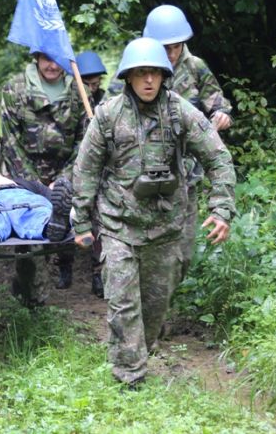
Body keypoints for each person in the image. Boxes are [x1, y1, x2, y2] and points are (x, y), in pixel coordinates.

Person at [72, 37, 236, 388]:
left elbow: (218, 158)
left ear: (164, 76)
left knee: (154, 308)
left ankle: (138, 353)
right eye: (141, 72)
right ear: (128, 76)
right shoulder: (108, 115)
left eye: (155, 73)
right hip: (118, 225)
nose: (148, 80)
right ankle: (129, 377)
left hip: (166, 227)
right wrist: (82, 221)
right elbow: (86, 170)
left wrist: (222, 208)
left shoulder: (180, 112)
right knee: (123, 303)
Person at [143, 4, 233, 279]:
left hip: (185, 173)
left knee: (182, 253)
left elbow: (218, 103)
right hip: (143, 172)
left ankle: (167, 294)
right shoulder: (139, 66)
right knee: (146, 246)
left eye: (175, 47)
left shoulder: (195, 67)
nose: (171, 54)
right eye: (164, 48)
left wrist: (221, 116)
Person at [0, 50, 85, 304]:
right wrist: (34, 184)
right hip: (26, 175)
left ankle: (64, 272)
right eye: (46, 58)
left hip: (66, 175)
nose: (52, 65)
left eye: (57, 59)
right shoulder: (15, 88)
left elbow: (85, 142)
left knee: (62, 229)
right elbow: (10, 141)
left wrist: (63, 179)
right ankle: (32, 298)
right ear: (36, 57)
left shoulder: (79, 90)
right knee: (30, 238)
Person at [75, 50, 108, 298]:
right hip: (77, 170)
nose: (92, 88)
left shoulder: (106, 102)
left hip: (102, 172)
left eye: (95, 84)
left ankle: (98, 273)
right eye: (87, 83)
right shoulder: (69, 104)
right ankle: (63, 265)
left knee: (99, 224)